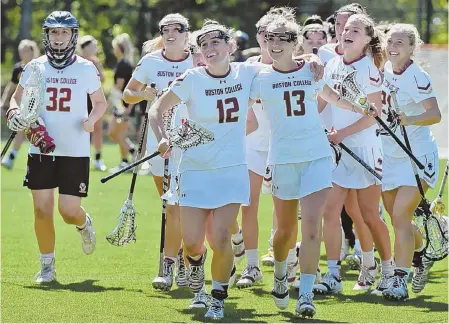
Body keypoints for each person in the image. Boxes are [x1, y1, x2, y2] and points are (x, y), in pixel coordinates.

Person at [148, 18, 324, 320]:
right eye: (203, 45)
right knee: (192, 242)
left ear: (230, 46)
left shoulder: (249, 73)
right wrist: (164, 138)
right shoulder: (192, 78)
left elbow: (287, 62)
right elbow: (157, 109)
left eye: (215, 42)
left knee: (219, 237)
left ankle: (216, 297)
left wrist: (312, 56)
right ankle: (199, 278)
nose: (209, 48)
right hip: (194, 170)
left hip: (231, 170)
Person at [250, 16, 361, 318]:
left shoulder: (311, 69)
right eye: (270, 37)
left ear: (294, 41)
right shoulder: (257, 76)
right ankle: (281, 273)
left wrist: (361, 108)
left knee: (313, 225)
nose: (274, 43)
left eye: (282, 38)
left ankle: (307, 295)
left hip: (316, 155)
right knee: (285, 231)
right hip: (283, 158)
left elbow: (331, 96)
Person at [6, 11, 107, 283]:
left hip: (74, 150)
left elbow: (100, 103)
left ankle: (83, 223)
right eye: (53, 32)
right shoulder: (35, 66)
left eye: (64, 32)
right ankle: (47, 266)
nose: (58, 37)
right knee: (41, 209)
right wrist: (15, 115)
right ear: (47, 35)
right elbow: (16, 99)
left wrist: (91, 121)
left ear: (73, 35)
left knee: (68, 211)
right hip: (41, 148)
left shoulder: (86, 68)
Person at [313, 13, 394, 294]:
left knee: (369, 214)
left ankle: (387, 271)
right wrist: (312, 124)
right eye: (345, 28)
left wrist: (343, 134)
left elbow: (373, 116)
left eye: (355, 30)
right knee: (330, 210)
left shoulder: (369, 69)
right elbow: (324, 100)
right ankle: (333, 275)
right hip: (337, 150)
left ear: (368, 39)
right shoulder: (332, 64)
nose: (347, 33)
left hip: (364, 148)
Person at [123, 12, 195, 301]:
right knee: (169, 205)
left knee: (184, 206)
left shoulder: (198, 59)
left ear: (186, 33)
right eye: (166, 29)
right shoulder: (151, 61)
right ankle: (174, 259)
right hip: (158, 142)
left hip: (191, 141)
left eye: (177, 29)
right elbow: (128, 93)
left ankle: (176, 265)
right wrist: (145, 94)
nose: (171, 33)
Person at [377, 23, 441, 299]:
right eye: (390, 40)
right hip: (390, 157)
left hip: (418, 156)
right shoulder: (381, 71)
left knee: (401, 216)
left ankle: (399, 280)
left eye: (400, 42)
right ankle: (422, 254)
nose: (393, 46)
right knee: (397, 219)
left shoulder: (418, 76)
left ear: (413, 48)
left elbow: (435, 114)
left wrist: (410, 118)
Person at [1, 39, 40, 169]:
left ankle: (39, 161)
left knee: (37, 133)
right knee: (18, 130)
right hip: (22, 106)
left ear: (32, 51)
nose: (23, 53)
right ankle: (11, 157)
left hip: (37, 106)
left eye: (26, 51)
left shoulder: (39, 66)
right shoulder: (18, 68)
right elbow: (11, 87)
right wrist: (4, 102)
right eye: (21, 51)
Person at [108, 33, 136, 172]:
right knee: (115, 134)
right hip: (124, 104)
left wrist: (110, 101)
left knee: (118, 134)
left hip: (122, 105)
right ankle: (131, 151)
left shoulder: (123, 65)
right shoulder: (127, 64)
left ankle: (126, 161)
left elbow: (119, 86)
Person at [78, 35, 107, 171]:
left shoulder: (95, 61)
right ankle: (81, 155)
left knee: (97, 128)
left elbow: (103, 78)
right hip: (80, 100)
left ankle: (98, 158)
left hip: (93, 99)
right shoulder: (77, 61)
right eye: (92, 45)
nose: (94, 48)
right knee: (80, 128)